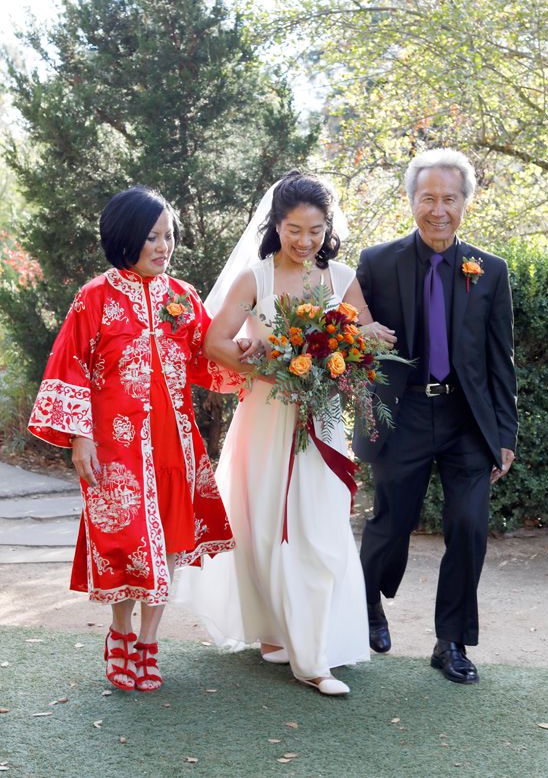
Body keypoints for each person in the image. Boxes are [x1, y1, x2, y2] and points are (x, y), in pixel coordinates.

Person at [28, 186, 249, 692]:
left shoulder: (183, 297)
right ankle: (119, 633)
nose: (163, 246)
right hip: (114, 447)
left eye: (168, 236)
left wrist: (254, 356)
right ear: (126, 238)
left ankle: (149, 642)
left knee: (167, 544)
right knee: (127, 543)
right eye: (152, 236)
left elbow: (207, 357)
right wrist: (79, 435)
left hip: (174, 443)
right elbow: (70, 366)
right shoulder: (94, 298)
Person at [177, 170, 385, 696]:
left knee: (319, 530)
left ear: (327, 228)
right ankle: (274, 633)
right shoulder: (256, 278)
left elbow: (361, 338)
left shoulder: (341, 279)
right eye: (294, 229)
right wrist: (274, 369)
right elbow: (215, 342)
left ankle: (313, 658)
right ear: (276, 225)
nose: (304, 241)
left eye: (315, 230)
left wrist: (358, 349)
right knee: (266, 525)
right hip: (267, 418)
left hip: (324, 423)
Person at [354, 148, 518, 684]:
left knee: (469, 527)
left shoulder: (490, 271)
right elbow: (356, 342)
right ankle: (368, 602)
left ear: (466, 202)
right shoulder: (377, 263)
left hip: (466, 419)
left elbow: (500, 359)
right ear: (412, 201)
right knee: (390, 524)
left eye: (450, 198)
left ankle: (451, 642)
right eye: (428, 198)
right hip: (401, 414)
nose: (439, 209)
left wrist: (505, 433)